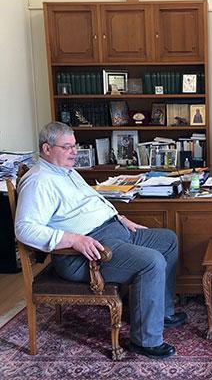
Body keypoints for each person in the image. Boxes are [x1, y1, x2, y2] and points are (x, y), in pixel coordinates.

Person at [15, 121, 185, 359]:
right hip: (86, 253)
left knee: (168, 240)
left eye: (75, 146)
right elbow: (24, 229)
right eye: (67, 147)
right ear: (47, 148)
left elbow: (90, 203)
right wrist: (73, 239)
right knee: (152, 261)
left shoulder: (66, 171)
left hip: (114, 231)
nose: (74, 152)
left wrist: (121, 218)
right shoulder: (38, 181)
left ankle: (161, 311)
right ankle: (145, 340)